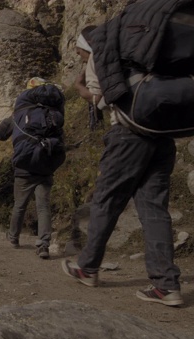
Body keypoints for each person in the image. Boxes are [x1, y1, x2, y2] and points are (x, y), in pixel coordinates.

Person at [62, 23, 183, 306]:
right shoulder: (143, 56)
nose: (81, 58)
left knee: (106, 201)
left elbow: (104, 100)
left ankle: (87, 268)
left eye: (80, 53)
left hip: (128, 135)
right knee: (154, 209)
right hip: (162, 135)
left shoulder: (100, 56)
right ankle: (167, 286)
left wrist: (82, 89)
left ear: (86, 46)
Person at [0, 77, 65, 260]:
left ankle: (13, 238)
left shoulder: (19, 112)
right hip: (46, 165)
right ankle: (43, 245)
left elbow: (0, 135)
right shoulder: (53, 111)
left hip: (25, 167)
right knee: (43, 207)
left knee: (19, 205)